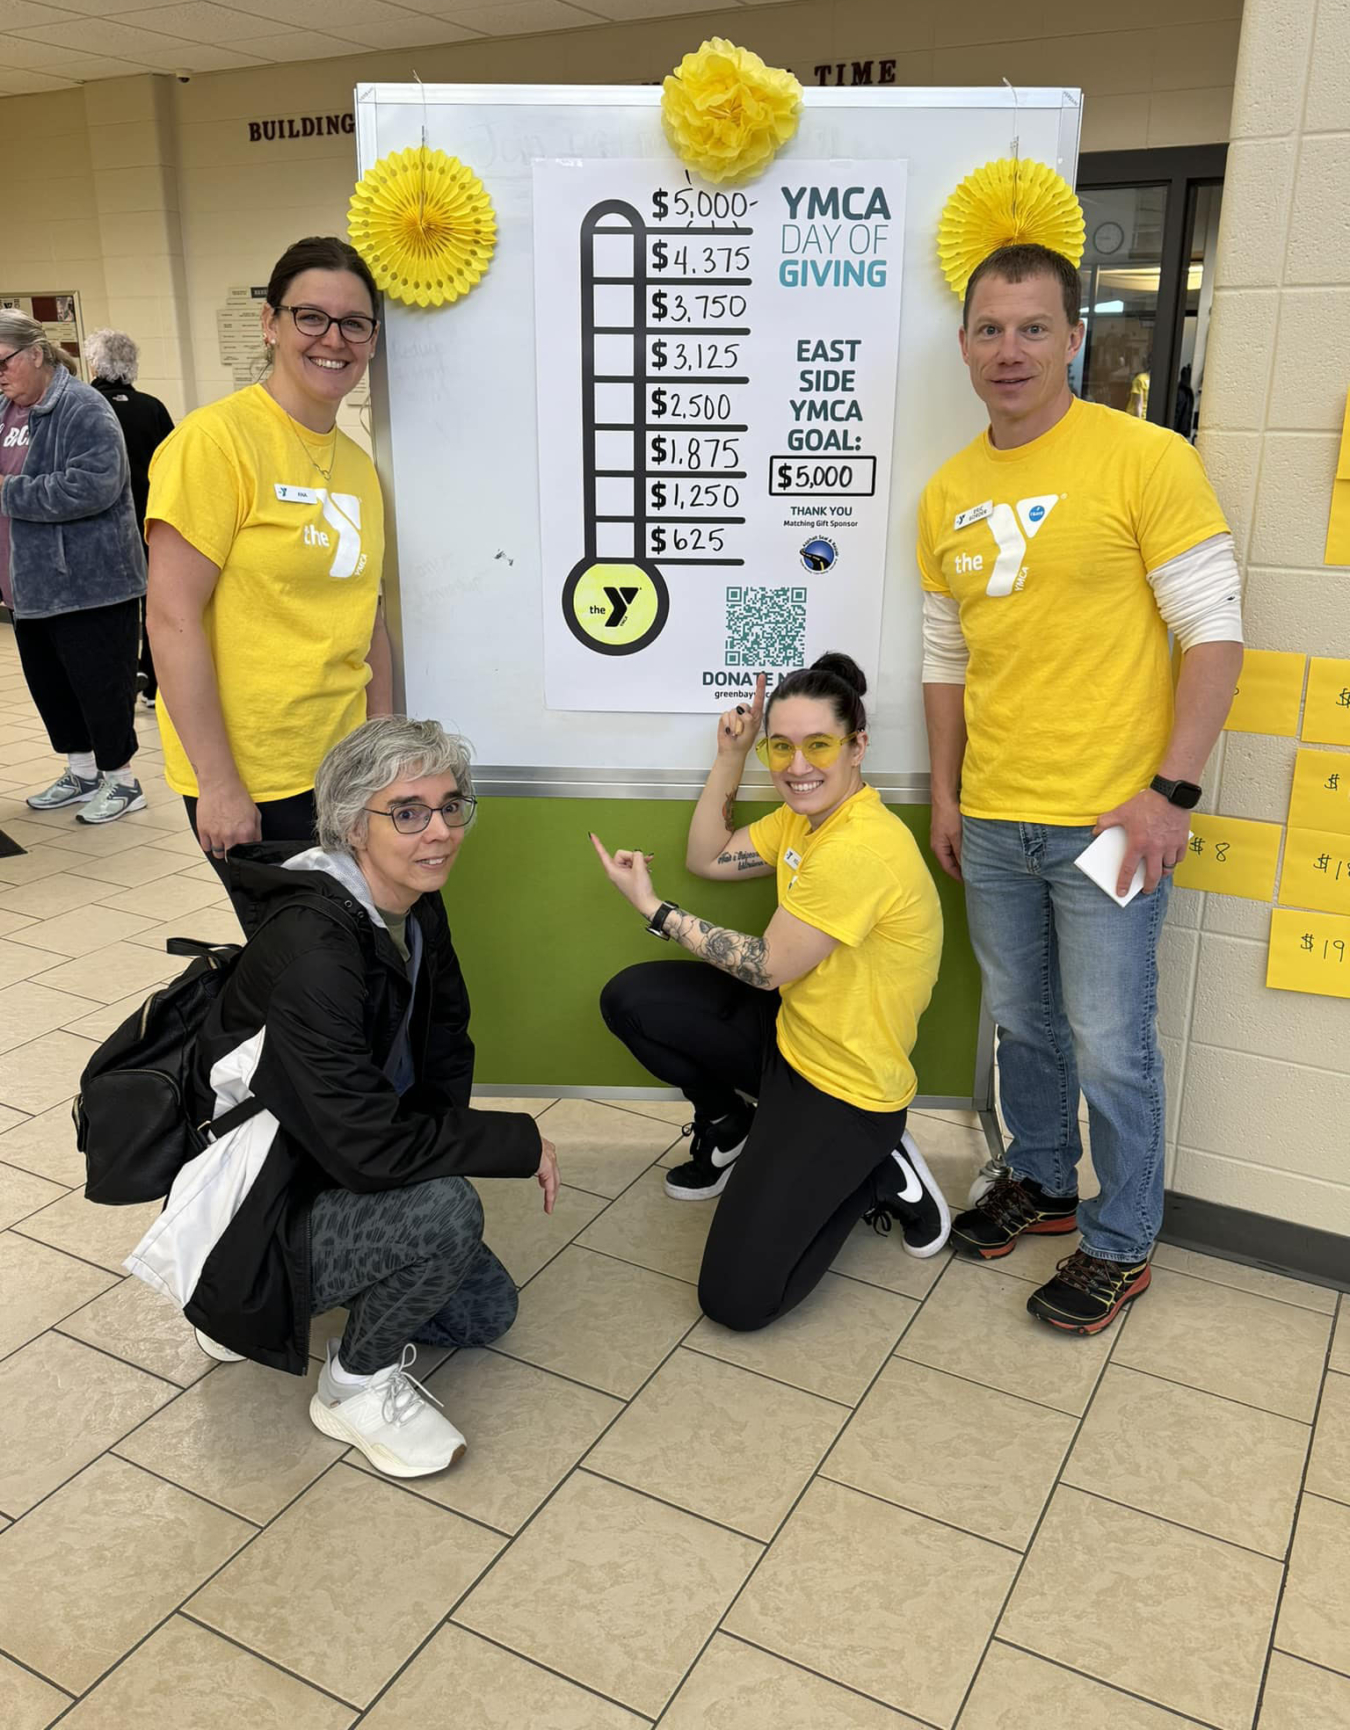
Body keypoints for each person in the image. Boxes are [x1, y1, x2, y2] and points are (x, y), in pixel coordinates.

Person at [919, 241, 1243, 1334]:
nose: (1009, 350)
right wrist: (949, 794)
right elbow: (947, 657)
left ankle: (1122, 1239)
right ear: (965, 343)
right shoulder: (951, 490)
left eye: (1033, 329)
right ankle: (1047, 1185)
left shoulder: (1145, 459)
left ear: (1073, 339)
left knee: (1111, 1038)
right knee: (1023, 1021)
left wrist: (1172, 795)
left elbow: (1215, 636)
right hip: (1000, 817)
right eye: (990, 330)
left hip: (1111, 821)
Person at [126, 716, 559, 1479]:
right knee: (447, 1212)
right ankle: (351, 1384)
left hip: (322, 1154)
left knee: (485, 1313)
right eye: (409, 811)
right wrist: (515, 1142)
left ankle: (318, 1279)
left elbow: (443, 1043)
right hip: (253, 1204)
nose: (440, 832)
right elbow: (368, 1147)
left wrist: (437, 1145)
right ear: (353, 826)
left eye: (450, 805)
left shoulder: (413, 903)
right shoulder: (314, 949)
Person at [593, 655, 946, 1334]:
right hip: (787, 1037)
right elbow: (706, 856)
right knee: (634, 1000)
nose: (795, 765)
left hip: (845, 1089)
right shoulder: (801, 819)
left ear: (857, 746)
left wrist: (657, 911)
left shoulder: (859, 848)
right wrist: (730, 755)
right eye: (779, 747)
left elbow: (764, 967)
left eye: (818, 745)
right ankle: (731, 1128)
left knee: (737, 1301)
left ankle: (877, 1167)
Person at [144, 235, 392, 909]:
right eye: (310, 316)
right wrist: (219, 784)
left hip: (343, 765)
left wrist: (384, 752)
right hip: (257, 775)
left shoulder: (358, 464)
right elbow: (170, 620)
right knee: (312, 980)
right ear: (270, 323)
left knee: (374, 962)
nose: (332, 339)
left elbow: (364, 614)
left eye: (354, 323)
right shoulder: (214, 443)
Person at [0, 308, 147, 824]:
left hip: (89, 586)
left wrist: (7, 492)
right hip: (28, 587)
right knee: (52, 689)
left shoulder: (84, 408)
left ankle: (123, 781)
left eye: (2, 364)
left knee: (100, 687)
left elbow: (93, 486)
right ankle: (81, 771)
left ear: (36, 353)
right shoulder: (5, 411)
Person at [84, 329, 175, 708]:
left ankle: (115, 685)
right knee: (156, 607)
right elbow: (173, 466)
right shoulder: (152, 407)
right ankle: (153, 681)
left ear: (95, 363)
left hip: (101, 529)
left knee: (109, 612)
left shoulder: (85, 406)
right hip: (151, 522)